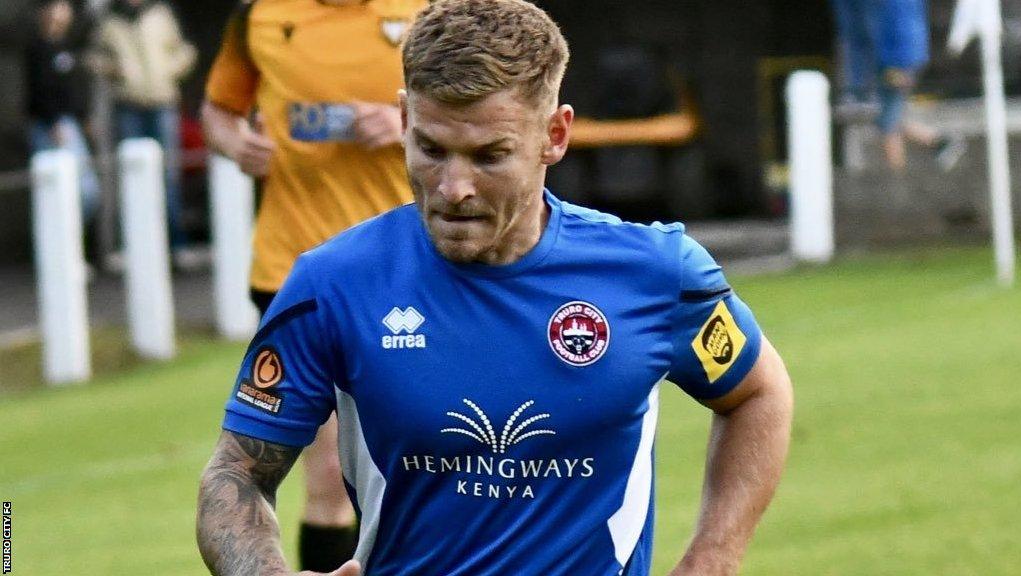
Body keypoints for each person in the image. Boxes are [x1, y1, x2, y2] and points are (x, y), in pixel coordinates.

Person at [196, 1, 794, 574]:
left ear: (554, 136)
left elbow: (758, 394)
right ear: (403, 120)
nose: (454, 186)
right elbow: (237, 474)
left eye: (489, 156)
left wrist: (713, 559)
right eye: (431, 149)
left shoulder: (654, 274)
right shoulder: (332, 285)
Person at [200, 0, 424, 570]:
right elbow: (219, 109)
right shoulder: (258, 17)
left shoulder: (428, 10)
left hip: (409, 272)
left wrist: (404, 125)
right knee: (326, 474)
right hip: (294, 273)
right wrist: (234, 143)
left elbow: (482, 112)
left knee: (424, 460)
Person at [88, 0, 197, 262]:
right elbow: (93, 57)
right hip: (129, 104)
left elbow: (183, 50)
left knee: (168, 175)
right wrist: (116, 71)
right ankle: (135, 246)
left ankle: (176, 245)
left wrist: (168, 71)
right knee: (132, 176)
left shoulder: (161, 15)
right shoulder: (110, 22)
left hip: (161, 102)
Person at [25, 0, 100, 232]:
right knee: (59, 192)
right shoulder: (37, 49)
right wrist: (54, 120)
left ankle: (73, 247)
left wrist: (85, 117)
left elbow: (77, 87)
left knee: (87, 193)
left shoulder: (69, 46)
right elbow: (39, 90)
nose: (63, 13)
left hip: (72, 123)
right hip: (53, 126)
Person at [874, 0, 963, 171]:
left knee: (888, 122)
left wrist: (900, 66)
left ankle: (896, 175)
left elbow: (902, 28)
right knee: (890, 118)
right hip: (900, 61)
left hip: (897, 63)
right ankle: (940, 141)